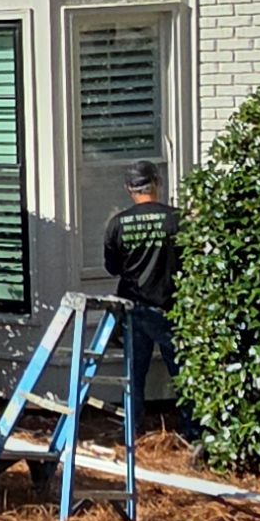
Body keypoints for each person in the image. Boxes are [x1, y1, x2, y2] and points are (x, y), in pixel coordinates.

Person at [101, 160, 179, 435]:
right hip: (172, 310)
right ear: (156, 183)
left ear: (128, 189)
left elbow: (112, 267)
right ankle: (194, 432)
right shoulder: (175, 220)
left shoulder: (117, 224)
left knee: (134, 374)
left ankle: (131, 429)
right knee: (182, 373)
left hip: (134, 309)